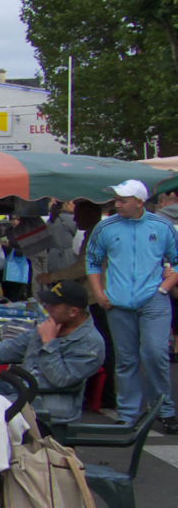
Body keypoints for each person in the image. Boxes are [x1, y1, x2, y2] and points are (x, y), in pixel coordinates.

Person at [86, 179, 178, 433]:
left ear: (139, 202)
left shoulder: (162, 226)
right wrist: (99, 293)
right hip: (117, 302)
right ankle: (128, 414)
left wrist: (166, 286)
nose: (117, 205)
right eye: (116, 200)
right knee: (126, 359)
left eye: (123, 201)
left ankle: (164, 409)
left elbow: (177, 258)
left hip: (154, 300)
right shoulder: (105, 228)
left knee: (155, 353)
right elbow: (92, 262)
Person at [0, 280, 103, 423]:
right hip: (20, 390)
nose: (47, 307)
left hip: (49, 403)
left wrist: (49, 343)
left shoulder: (91, 343)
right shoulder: (54, 323)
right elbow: (15, 346)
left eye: (54, 305)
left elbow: (60, 379)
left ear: (73, 312)